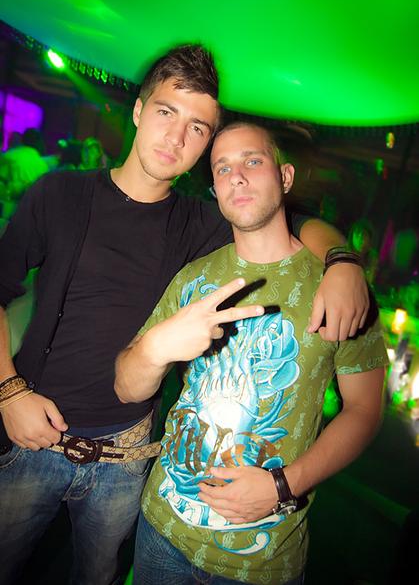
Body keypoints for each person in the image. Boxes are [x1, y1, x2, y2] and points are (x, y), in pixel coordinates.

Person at [0, 45, 367, 585]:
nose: (176, 138)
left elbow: (289, 217)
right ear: (138, 110)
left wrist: (342, 260)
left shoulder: (203, 223)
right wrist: (8, 392)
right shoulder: (60, 194)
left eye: (197, 128)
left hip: (127, 459)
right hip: (30, 434)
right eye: (166, 112)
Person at [115, 122, 387, 585]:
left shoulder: (337, 287)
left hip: (261, 560)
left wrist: (284, 485)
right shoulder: (193, 277)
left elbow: (364, 410)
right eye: (222, 168)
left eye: (252, 161)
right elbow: (126, 387)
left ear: (285, 176)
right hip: (161, 529)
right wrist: (156, 350)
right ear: (215, 189)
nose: (236, 176)